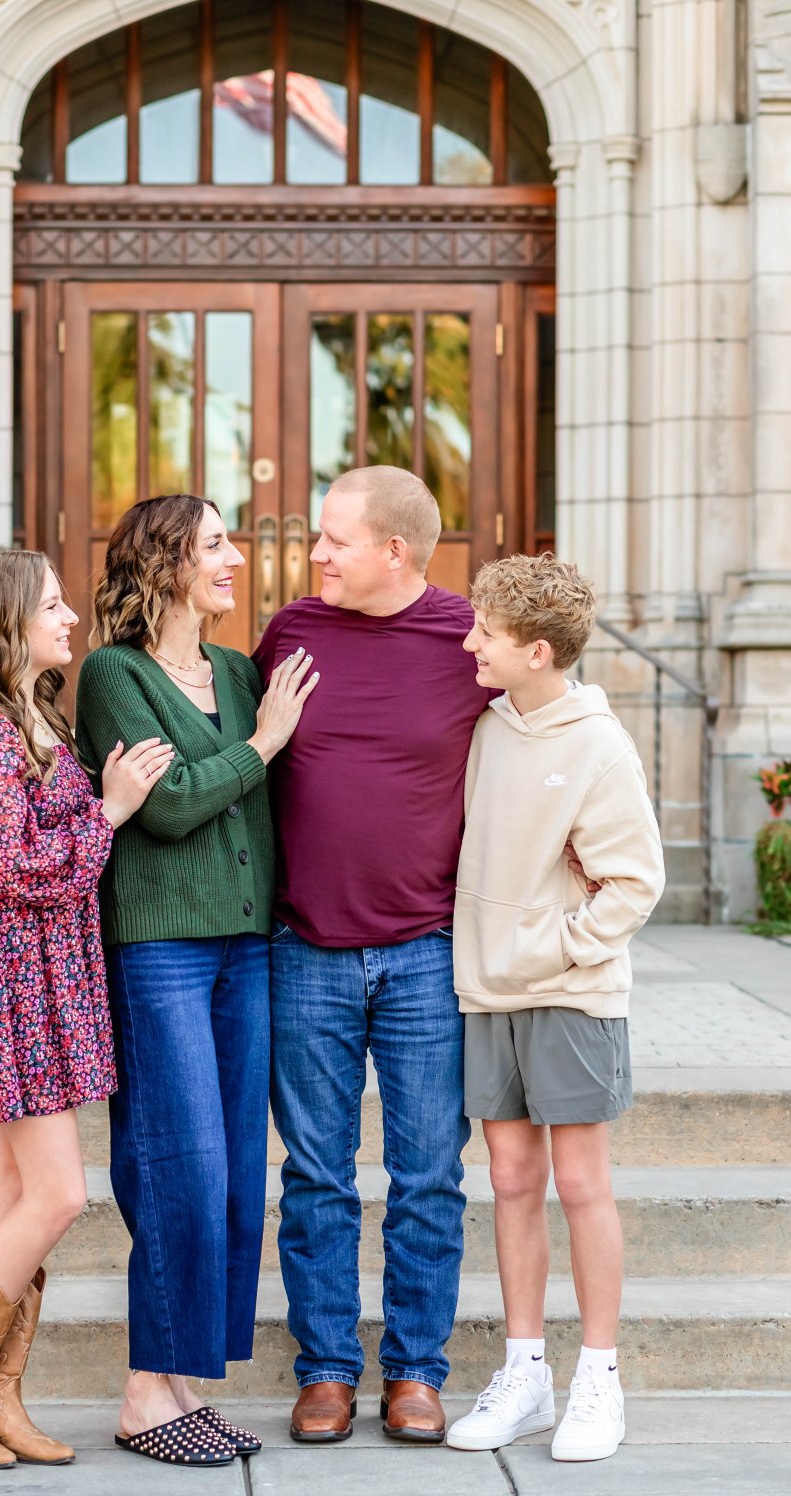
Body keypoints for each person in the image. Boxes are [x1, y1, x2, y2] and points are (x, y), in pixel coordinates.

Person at [0, 550, 172, 1470]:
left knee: (15, 1195)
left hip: (54, 974)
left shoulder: (34, 716)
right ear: (4, 620)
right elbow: (17, 867)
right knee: (58, 1194)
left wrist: (98, 808)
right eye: (52, 604)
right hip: (13, 981)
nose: (71, 617)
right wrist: (113, 808)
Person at [75, 494, 317, 1467]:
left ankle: (180, 1384)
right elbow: (169, 805)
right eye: (216, 543)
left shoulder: (237, 668)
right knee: (179, 1164)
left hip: (246, 945)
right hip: (161, 948)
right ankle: (144, 1396)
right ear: (168, 561)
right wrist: (261, 745)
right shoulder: (110, 675)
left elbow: (227, 795)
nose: (236, 556)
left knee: (234, 1180)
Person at [253, 465, 488, 1444]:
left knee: (429, 1172)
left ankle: (416, 1373)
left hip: (429, 951)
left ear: (394, 549)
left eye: (332, 539)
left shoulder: (468, 640)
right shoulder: (291, 634)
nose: (313, 557)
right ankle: (325, 1372)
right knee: (315, 1175)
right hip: (306, 945)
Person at [445, 553, 665, 1463]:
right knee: (508, 1179)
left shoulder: (598, 744)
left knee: (580, 1183)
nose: (469, 643)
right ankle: (526, 1369)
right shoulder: (491, 727)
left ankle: (598, 1379)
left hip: (572, 992)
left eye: (485, 633)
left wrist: (558, 943)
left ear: (537, 651)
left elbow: (636, 881)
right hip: (489, 987)